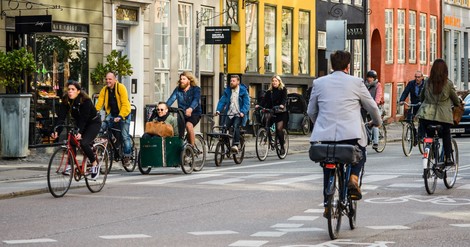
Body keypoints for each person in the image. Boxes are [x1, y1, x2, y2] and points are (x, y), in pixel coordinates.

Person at [307, 50, 381, 217]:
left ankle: (327, 203)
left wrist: (319, 124)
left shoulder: (319, 83)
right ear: (348, 66)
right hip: (350, 135)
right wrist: (377, 122)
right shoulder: (356, 83)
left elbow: (311, 110)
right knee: (360, 154)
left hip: (324, 136)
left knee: (328, 163)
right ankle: (353, 178)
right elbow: (372, 107)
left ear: (332, 65)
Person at [51, 81, 102, 179]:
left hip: (93, 123)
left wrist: (80, 132)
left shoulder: (85, 101)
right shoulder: (66, 100)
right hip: (80, 123)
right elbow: (61, 117)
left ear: (78, 91)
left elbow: (84, 118)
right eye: (69, 89)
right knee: (71, 141)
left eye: (73, 89)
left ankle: (95, 164)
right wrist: (56, 130)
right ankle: (71, 165)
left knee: (84, 143)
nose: (70, 92)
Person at [416, 59, 460, 166]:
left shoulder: (427, 82)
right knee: (446, 135)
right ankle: (448, 158)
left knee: (429, 134)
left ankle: (428, 148)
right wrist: (457, 103)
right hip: (443, 118)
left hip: (426, 116)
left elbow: (421, 97)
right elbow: (456, 101)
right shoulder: (448, 84)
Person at [95, 72, 133, 167]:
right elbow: (100, 103)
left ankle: (127, 156)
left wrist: (120, 116)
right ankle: (104, 148)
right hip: (112, 114)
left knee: (125, 136)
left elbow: (125, 104)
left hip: (124, 114)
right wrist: (94, 112)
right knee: (102, 127)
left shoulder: (121, 88)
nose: (108, 81)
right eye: (106, 79)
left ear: (115, 80)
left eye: (110, 79)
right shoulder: (105, 90)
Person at [215, 75, 250, 153]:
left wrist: (243, 112)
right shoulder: (227, 91)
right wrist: (218, 110)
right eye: (231, 81)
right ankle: (225, 144)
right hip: (230, 113)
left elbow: (247, 103)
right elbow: (222, 101)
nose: (231, 82)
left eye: (233, 81)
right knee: (224, 127)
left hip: (239, 114)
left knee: (236, 126)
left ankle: (235, 145)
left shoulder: (243, 91)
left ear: (238, 82)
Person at [256, 75, 289, 155]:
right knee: (266, 123)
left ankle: (282, 147)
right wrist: (259, 105)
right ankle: (269, 138)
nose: (274, 82)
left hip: (280, 112)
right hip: (271, 111)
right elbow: (264, 100)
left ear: (279, 82)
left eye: (276, 81)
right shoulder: (269, 91)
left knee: (278, 129)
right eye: (273, 81)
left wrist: (282, 104)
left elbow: (284, 98)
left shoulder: (283, 89)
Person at [166, 71, 202, 146]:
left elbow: (196, 100)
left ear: (189, 80)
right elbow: (171, 99)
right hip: (182, 114)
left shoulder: (196, 89)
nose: (181, 81)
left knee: (189, 125)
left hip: (194, 114)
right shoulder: (178, 90)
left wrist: (190, 108)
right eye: (181, 79)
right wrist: (164, 107)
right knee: (178, 132)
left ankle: (192, 147)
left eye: (184, 79)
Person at [364, 70, 383, 150]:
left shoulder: (378, 85)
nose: (369, 79)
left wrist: (375, 104)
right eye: (368, 77)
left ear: (374, 78)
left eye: (371, 77)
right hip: (366, 106)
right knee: (363, 123)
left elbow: (378, 96)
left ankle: (375, 142)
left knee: (375, 123)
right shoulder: (364, 85)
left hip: (375, 107)